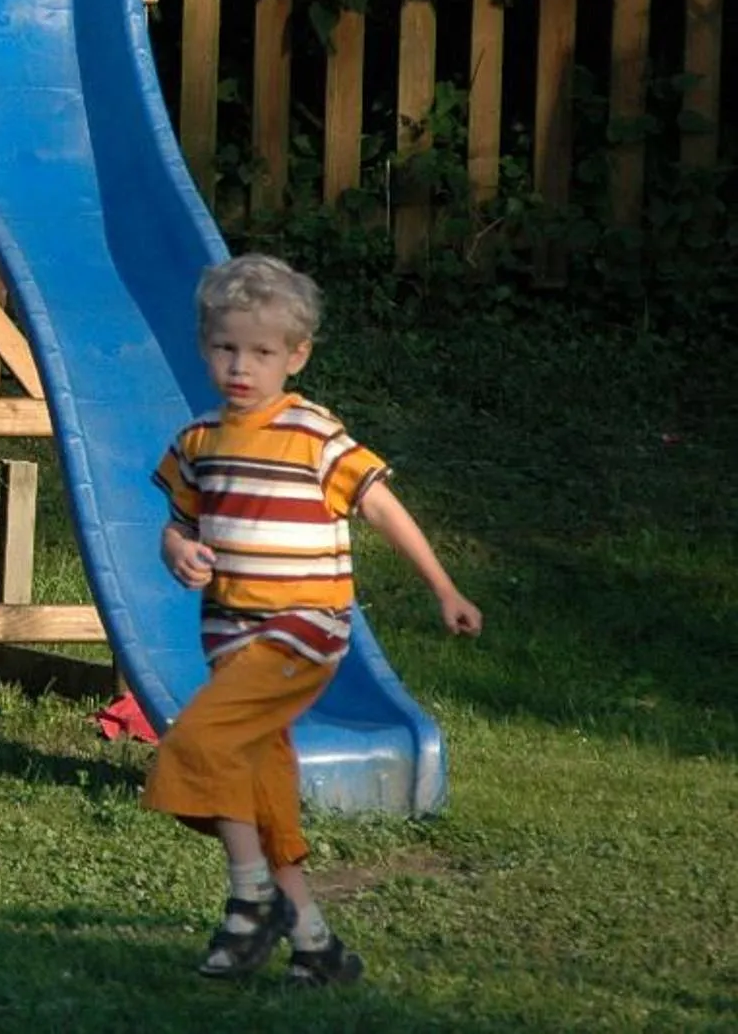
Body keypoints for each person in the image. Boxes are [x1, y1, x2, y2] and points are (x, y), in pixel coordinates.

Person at [146, 253, 483, 986]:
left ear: (295, 357)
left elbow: (382, 505)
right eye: (226, 348)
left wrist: (444, 588)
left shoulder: (313, 434)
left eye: (262, 352)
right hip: (231, 635)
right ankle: (315, 942)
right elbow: (179, 522)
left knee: (198, 743)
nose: (241, 366)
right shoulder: (198, 440)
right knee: (258, 779)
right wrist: (178, 550)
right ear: (206, 347)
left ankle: (250, 900)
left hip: (303, 630)